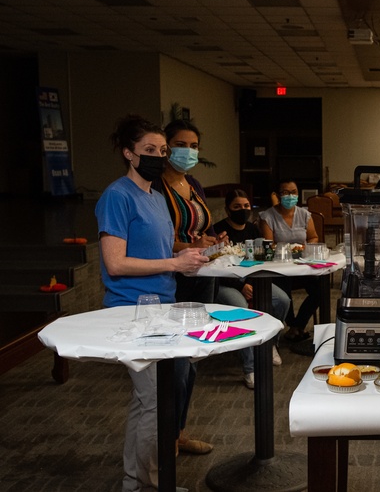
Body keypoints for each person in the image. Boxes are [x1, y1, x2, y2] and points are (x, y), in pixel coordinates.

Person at [96, 115, 209, 491]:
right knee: (155, 401)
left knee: (155, 398)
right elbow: (115, 262)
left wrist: (187, 262)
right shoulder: (117, 196)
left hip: (163, 307)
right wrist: (175, 263)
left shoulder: (157, 197)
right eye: (149, 151)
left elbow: (161, 255)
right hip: (132, 310)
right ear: (129, 154)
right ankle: (148, 484)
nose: (158, 157)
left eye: (162, 151)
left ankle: (138, 481)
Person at [152, 119, 220, 455]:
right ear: (166, 148)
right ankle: (164, 441)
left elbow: (194, 230)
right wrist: (188, 249)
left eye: (194, 146)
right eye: (182, 144)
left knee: (192, 358)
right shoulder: (154, 188)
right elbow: (160, 241)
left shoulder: (191, 183)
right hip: (172, 278)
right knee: (175, 365)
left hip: (200, 278)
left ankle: (179, 432)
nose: (189, 152)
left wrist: (207, 242)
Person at [213, 189, 291, 388]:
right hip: (225, 283)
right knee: (241, 309)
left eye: (246, 206)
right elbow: (214, 265)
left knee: (282, 300)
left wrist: (252, 283)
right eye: (237, 207)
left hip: (253, 280)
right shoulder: (218, 230)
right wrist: (240, 286)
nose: (243, 210)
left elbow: (260, 260)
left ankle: (271, 344)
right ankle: (250, 367)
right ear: (228, 209)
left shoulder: (253, 229)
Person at [260, 179, 321, 343]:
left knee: (319, 289)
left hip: (302, 265)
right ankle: (293, 326)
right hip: (279, 267)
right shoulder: (268, 216)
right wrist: (287, 250)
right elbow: (269, 244)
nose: (290, 196)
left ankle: (297, 326)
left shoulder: (304, 214)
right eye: (285, 192)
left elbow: (313, 237)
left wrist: (306, 247)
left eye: (293, 192)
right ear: (278, 195)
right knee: (284, 294)